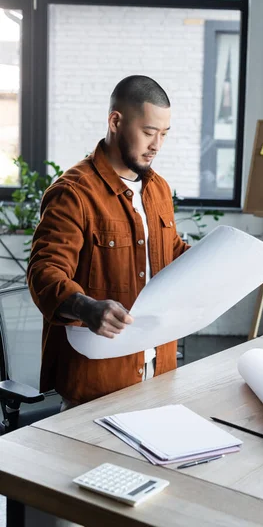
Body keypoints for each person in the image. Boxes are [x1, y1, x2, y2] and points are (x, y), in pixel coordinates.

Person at [27, 75, 190, 410]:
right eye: (148, 132)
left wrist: (225, 261)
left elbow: (171, 254)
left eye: (164, 134)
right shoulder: (74, 192)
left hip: (159, 372)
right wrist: (87, 308)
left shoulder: (158, 189)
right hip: (95, 384)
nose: (157, 144)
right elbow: (45, 273)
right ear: (115, 121)